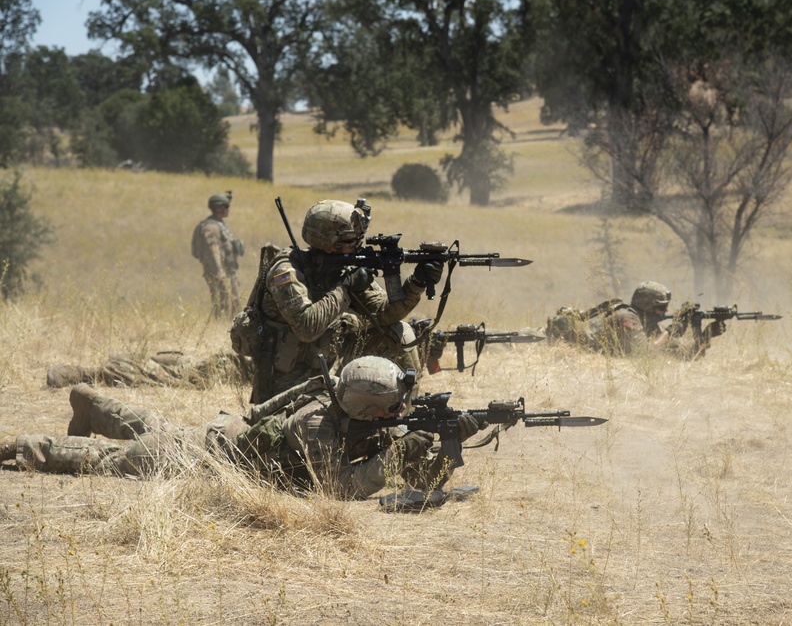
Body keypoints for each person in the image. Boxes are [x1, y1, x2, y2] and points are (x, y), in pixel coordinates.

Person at [0, 357, 482, 499]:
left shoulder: (341, 399)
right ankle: (23, 447)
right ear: (367, 406)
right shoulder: (317, 424)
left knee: (155, 427)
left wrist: (447, 438)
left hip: (221, 434)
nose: (397, 415)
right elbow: (338, 488)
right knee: (114, 462)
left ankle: (92, 402)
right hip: (211, 458)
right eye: (390, 409)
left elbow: (418, 486)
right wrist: (398, 453)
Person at [246, 199, 440, 403]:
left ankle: (401, 418)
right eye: (353, 241)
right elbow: (306, 327)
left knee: (398, 333)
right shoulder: (286, 271)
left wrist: (417, 283)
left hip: (330, 365)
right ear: (330, 244)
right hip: (285, 386)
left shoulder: (342, 268)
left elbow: (383, 314)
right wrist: (345, 287)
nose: (359, 246)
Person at [544, 281, 726, 359]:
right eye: (661, 307)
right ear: (647, 305)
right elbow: (645, 355)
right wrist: (670, 331)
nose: (665, 311)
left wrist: (706, 335)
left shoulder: (646, 324)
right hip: (547, 341)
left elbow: (683, 356)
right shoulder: (627, 317)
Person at [45, 350, 253, 389]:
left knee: (157, 370)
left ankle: (90, 372)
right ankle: (86, 374)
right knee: (153, 374)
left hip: (224, 365)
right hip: (219, 366)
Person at [192, 191, 244, 319]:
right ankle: (220, 329)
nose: (228, 209)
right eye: (226, 206)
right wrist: (219, 271)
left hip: (229, 271)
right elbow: (213, 250)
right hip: (220, 272)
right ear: (218, 208)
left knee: (235, 302)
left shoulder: (219, 224)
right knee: (223, 303)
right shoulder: (211, 227)